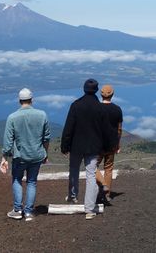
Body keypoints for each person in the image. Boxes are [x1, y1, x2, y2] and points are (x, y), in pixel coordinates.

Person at [61, 78, 114, 220]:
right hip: (93, 147)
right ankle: (89, 209)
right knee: (91, 175)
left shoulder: (76, 105)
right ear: (97, 90)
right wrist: (109, 147)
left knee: (73, 171)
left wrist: (64, 146)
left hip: (76, 146)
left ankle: (73, 196)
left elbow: (69, 128)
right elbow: (106, 131)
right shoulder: (100, 108)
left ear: (84, 89)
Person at [0, 88, 51, 222]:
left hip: (20, 157)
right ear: (32, 100)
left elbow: (7, 141)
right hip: (37, 155)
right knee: (32, 182)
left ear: (19, 101)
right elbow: (46, 138)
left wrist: (4, 157)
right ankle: (28, 212)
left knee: (17, 180)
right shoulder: (42, 115)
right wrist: (45, 154)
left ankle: (17, 210)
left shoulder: (12, 117)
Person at [95, 84, 123, 203]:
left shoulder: (96, 108)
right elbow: (119, 129)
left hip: (98, 144)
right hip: (112, 144)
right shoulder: (117, 109)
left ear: (101, 94)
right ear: (112, 95)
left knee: (91, 167)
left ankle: (103, 184)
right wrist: (117, 144)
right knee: (109, 168)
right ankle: (107, 195)